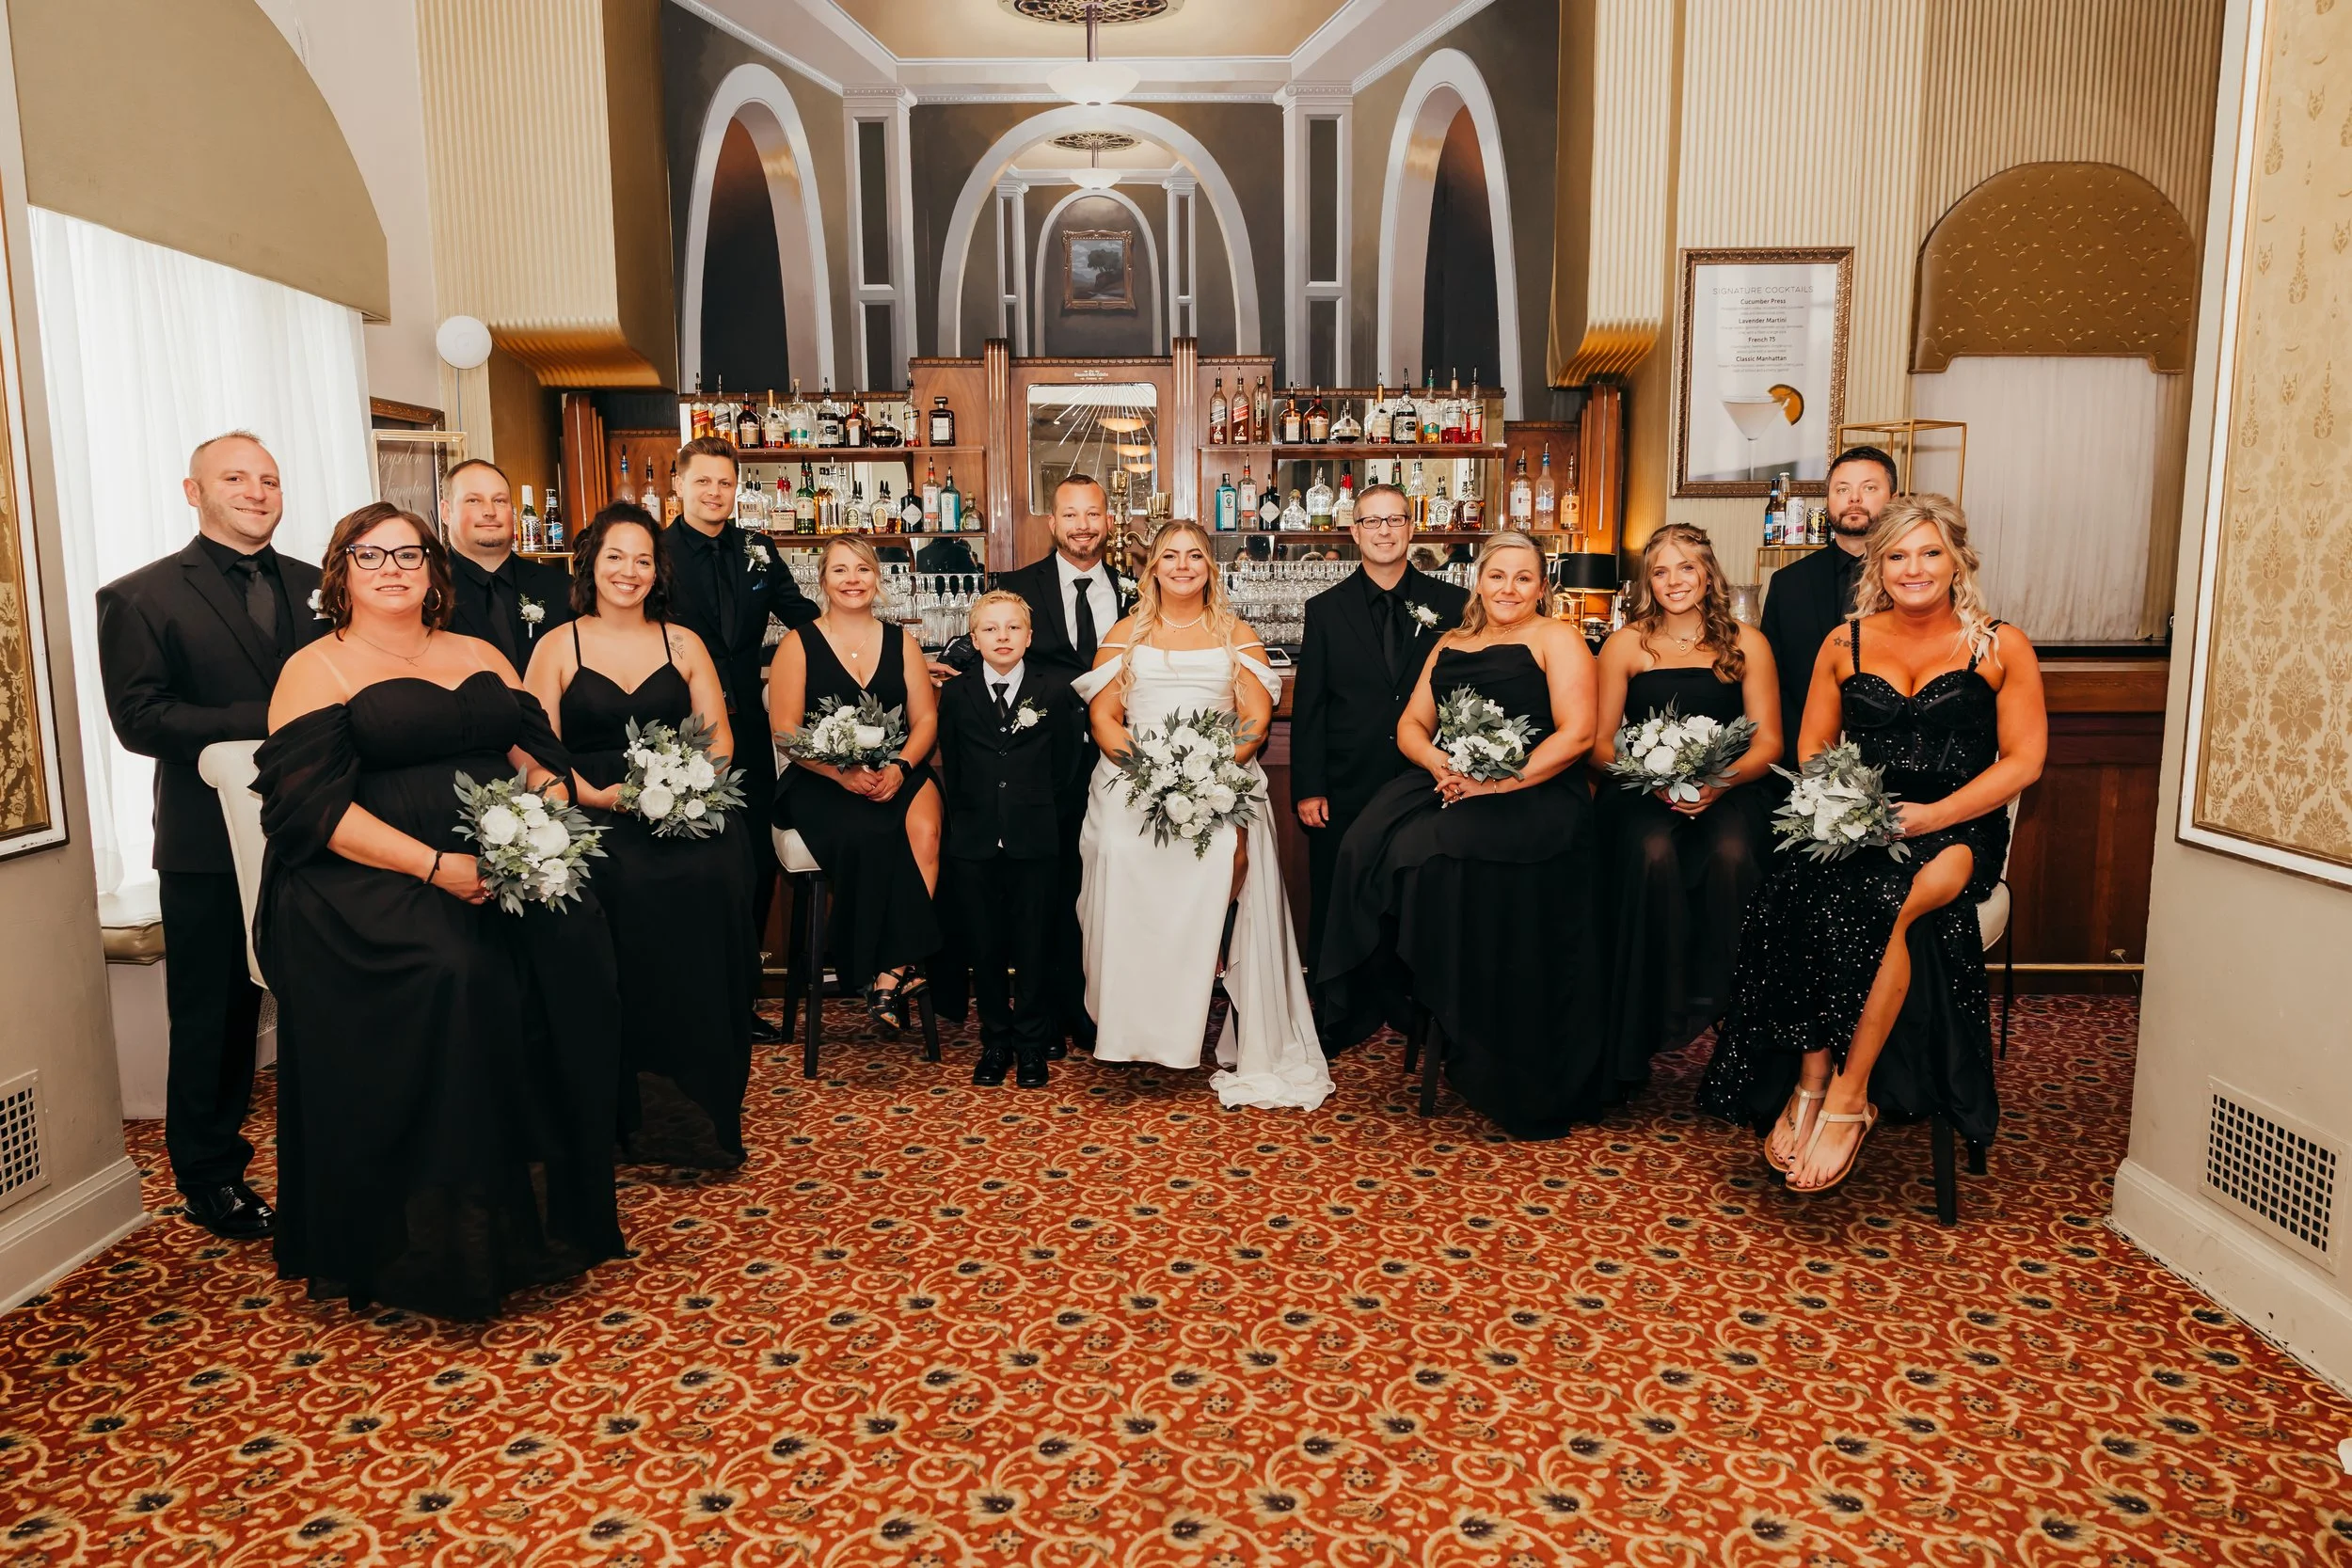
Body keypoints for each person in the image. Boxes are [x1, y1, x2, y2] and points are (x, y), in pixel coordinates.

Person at [253, 502, 626, 1318]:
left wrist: (545, 816)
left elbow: (535, 757)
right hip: (361, 872)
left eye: (409, 554)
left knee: (578, 935)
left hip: (496, 856)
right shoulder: (319, 667)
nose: (392, 568)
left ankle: (543, 1211)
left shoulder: (481, 651)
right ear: (341, 572)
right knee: (453, 967)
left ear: (434, 570)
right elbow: (314, 812)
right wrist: (436, 866)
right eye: (370, 554)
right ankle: (433, 1238)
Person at [1699, 495, 2047, 1194]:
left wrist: (1930, 814)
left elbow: (2023, 762)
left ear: (1957, 560)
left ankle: (1851, 1096)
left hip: (1956, 826)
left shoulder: (1999, 644)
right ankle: (1810, 1077)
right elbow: (1811, 749)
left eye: (1929, 553)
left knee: (1893, 898)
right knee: (1796, 881)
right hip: (1861, 819)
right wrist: (1849, 808)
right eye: (1897, 555)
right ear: (1877, 564)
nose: (1913, 569)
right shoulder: (1844, 641)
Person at [95, 431, 326, 1242]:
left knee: (323, 999)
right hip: (206, 846)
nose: (257, 492)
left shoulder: (320, 586)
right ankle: (208, 1175)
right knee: (215, 1014)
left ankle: (330, 1159)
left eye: (269, 479)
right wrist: (269, 722)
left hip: (321, 826)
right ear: (194, 492)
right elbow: (141, 718)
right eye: (236, 478)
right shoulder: (141, 596)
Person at [1317, 531, 1602, 1139]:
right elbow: (1412, 723)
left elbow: (1578, 734)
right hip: (1456, 782)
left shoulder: (1557, 637)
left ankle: (1468, 1010)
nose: (1509, 588)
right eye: (1498, 575)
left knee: (1436, 857)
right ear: (1479, 579)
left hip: (1537, 790)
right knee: (1366, 845)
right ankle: (1422, 989)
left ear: (1542, 586)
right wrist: (1440, 765)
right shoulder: (1450, 640)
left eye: (1524, 578)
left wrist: (1500, 782)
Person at [524, 503, 755, 1169]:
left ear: (659, 572)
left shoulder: (683, 643)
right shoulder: (557, 645)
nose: (628, 571)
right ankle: (611, 1113)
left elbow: (718, 742)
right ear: (591, 563)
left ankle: (694, 1106)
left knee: (711, 878)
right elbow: (535, 750)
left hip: (679, 815)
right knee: (603, 890)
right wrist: (590, 794)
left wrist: (683, 794)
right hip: (586, 811)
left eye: (643, 559)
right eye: (615, 557)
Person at [1072, 520, 1331, 1111]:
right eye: (1171, 556)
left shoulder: (1237, 633)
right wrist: (1149, 772)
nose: (1183, 565)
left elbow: (1254, 721)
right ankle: (1129, 1026)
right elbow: (1106, 720)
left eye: (1195, 556)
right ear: (1153, 567)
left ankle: (1196, 1011)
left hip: (1221, 777)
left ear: (1209, 567)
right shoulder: (1124, 634)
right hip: (1134, 776)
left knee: (1216, 858)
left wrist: (1205, 771)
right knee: (1118, 846)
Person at [1589, 525, 1781, 1096]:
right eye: (1661, 571)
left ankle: (1735, 1019)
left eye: (1686, 568)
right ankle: (1646, 1021)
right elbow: (1601, 743)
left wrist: (1715, 784)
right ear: (1648, 581)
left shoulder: (1748, 643)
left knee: (1732, 853)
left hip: (1731, 789)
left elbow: (1768, 743)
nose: (1674, 581)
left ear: (1708, 574)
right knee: (1652, 853)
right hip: (1642, 791)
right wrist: (1653, 781)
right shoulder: (1626, 644)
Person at [662, 436, 819, 1042]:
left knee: (751, 863)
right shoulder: (655, 552)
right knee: (685, 860)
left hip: (749, 732)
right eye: (703, 481)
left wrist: (882, 653)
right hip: (675, 729)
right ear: (679, 486)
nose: (715, 493)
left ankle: (743, 994)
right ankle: (685, 995)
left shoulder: (758, 548)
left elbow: (803, 614)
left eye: (726, 483)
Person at [1291, 482, 1470, 979]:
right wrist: (1309, 787)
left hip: (1428, 777)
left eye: (1395, 520)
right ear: (1354, 531)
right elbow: (1311, 705)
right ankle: (1339, 999)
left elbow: (1465, 694)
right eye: (1373, 521)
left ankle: (1418, 998)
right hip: (1348, 777)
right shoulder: (1326, 609)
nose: (1384, 531)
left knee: (1421, 888)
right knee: (1340, 889)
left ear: (1411, 529)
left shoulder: (1455, 604)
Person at [767, 534, 943, 1027]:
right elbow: (785, 731)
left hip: (897, 765)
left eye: (862, 570)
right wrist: (840, 773)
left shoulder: (900, 640)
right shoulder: (797, 643)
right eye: (840, 570)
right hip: (819, 777)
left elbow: (925, 720)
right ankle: (874, 966)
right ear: (823, 580)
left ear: (876, 578)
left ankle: (890, 970)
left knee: (926, 832)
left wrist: (902, 767)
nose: (852, 580)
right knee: (868, 832)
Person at [994, 474, 1133, 1055]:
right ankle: (1046, 1013)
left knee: (1105, 887)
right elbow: (987, 642)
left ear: (1108, 521)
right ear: (1051, 524)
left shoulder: (1135, 591)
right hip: (1038, 763)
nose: (1083, 526)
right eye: (1070, 515)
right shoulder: (1018, 586)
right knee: (1046, 890)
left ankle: (1099, 1010)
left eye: (1093, 514)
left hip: (1117, 759)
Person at [936, 591, 1086, 1089]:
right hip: (976, 840)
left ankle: (1031, 1045)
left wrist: (1039, 814)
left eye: (1012, 628)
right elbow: (954, 767)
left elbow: (1067, 767)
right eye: (991, 629)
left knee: (1034, 942)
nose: (1002, 636)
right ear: (973, 639)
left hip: (1036, 837)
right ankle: (995, 1041)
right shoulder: (956, 695)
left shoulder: (1056, 688)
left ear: (1030, 636)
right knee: (987, 944)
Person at [1758, 446, 1896, 747]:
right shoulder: (1788, 583)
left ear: (1895, 500)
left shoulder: (1913, 583)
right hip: (1799, 761)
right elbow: (1772, 684)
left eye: (1869, 488)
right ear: (1828, 500)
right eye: (1842, 489)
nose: (1854, 498)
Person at [441, 458, 575, 665]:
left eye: (499, 500)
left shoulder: (561, 587)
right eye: (474, 501)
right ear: (445, 512)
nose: (489, 511)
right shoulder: (429, 591)